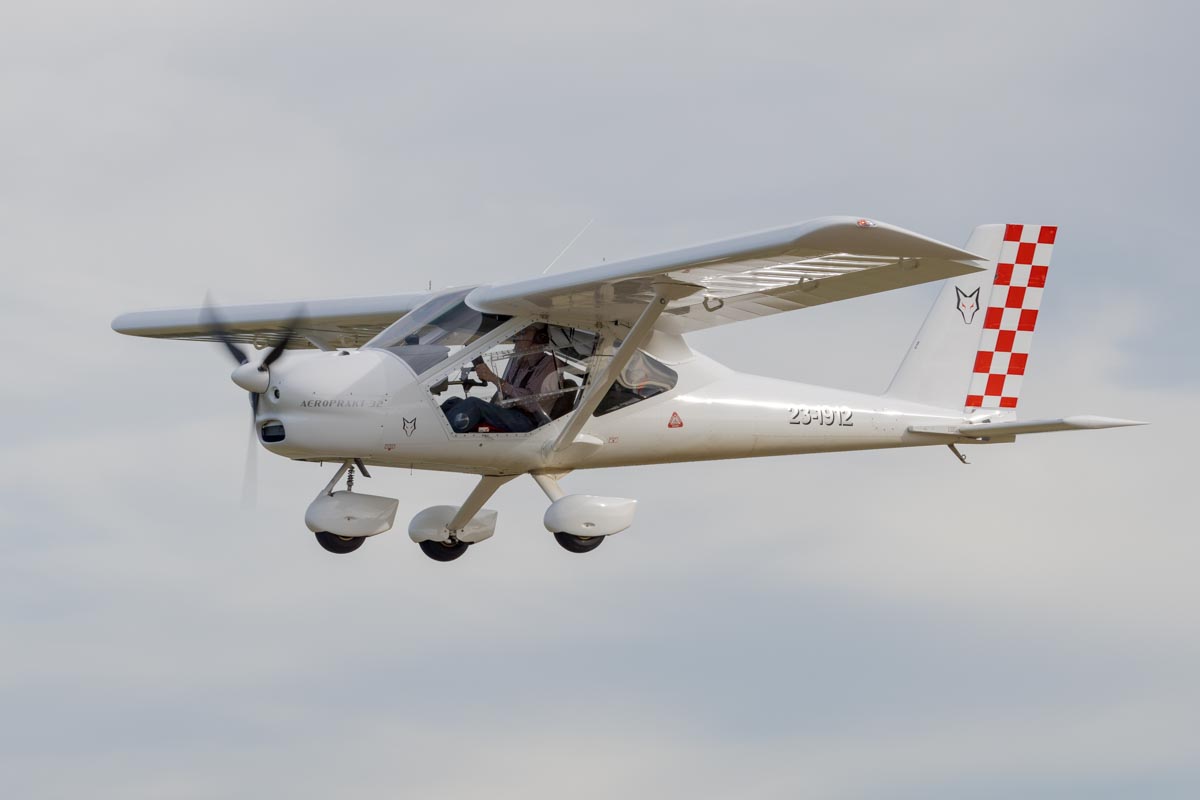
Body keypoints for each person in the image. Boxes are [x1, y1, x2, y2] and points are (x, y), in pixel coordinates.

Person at [440, 324, 561, 433]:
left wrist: (494, 379)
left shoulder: (550, 364)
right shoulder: (519, 361)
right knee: (453, 401)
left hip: (529, 422)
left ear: (540, 337)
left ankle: (442, 434)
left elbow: (533, 405)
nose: (517, 337)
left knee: (473, 404)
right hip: (509, 412)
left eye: (523, 332)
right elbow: (508, 391)